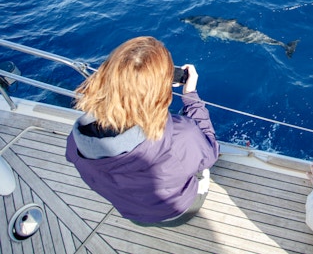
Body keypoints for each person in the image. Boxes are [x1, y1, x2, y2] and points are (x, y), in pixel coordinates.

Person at [66, 36, 219, 226]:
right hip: (178, 212)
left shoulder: (79, 138)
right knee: (202, 169)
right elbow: (211, 151)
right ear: (163, 86)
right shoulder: (182, 135)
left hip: (133, 214)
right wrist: (190, 97)